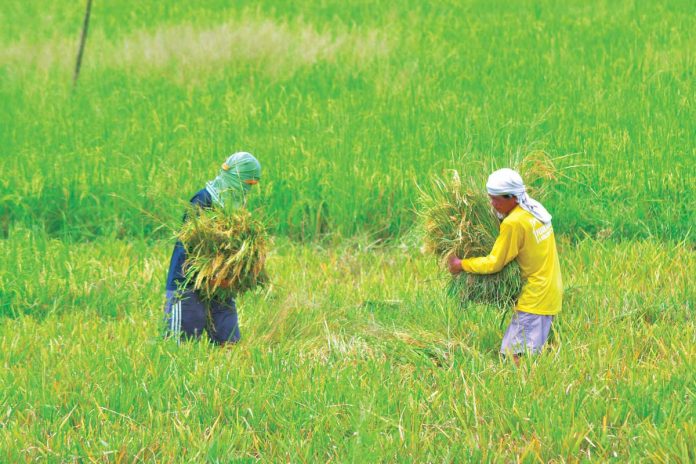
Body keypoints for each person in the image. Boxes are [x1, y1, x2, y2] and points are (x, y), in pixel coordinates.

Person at [447, 168, 562, 364]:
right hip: (550, 290)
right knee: (529, 353)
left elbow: (494, 263)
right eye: (490, 198)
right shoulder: (534, 209)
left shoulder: (514, 223)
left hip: (534, 298)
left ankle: (523, 391)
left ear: (513, 197)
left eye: (496, 200)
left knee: (514, 355)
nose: (492, 204)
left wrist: (461, 264)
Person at [164, 151, 261, 344]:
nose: (247, 190)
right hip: (188, 284)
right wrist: (210, 277)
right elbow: (189, 249)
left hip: (221, 286)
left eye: (252, 186)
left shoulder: (236, 207)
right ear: (235, 177)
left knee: (229, 341)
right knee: (180, 345)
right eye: (246, 183)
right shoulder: (203, 201)